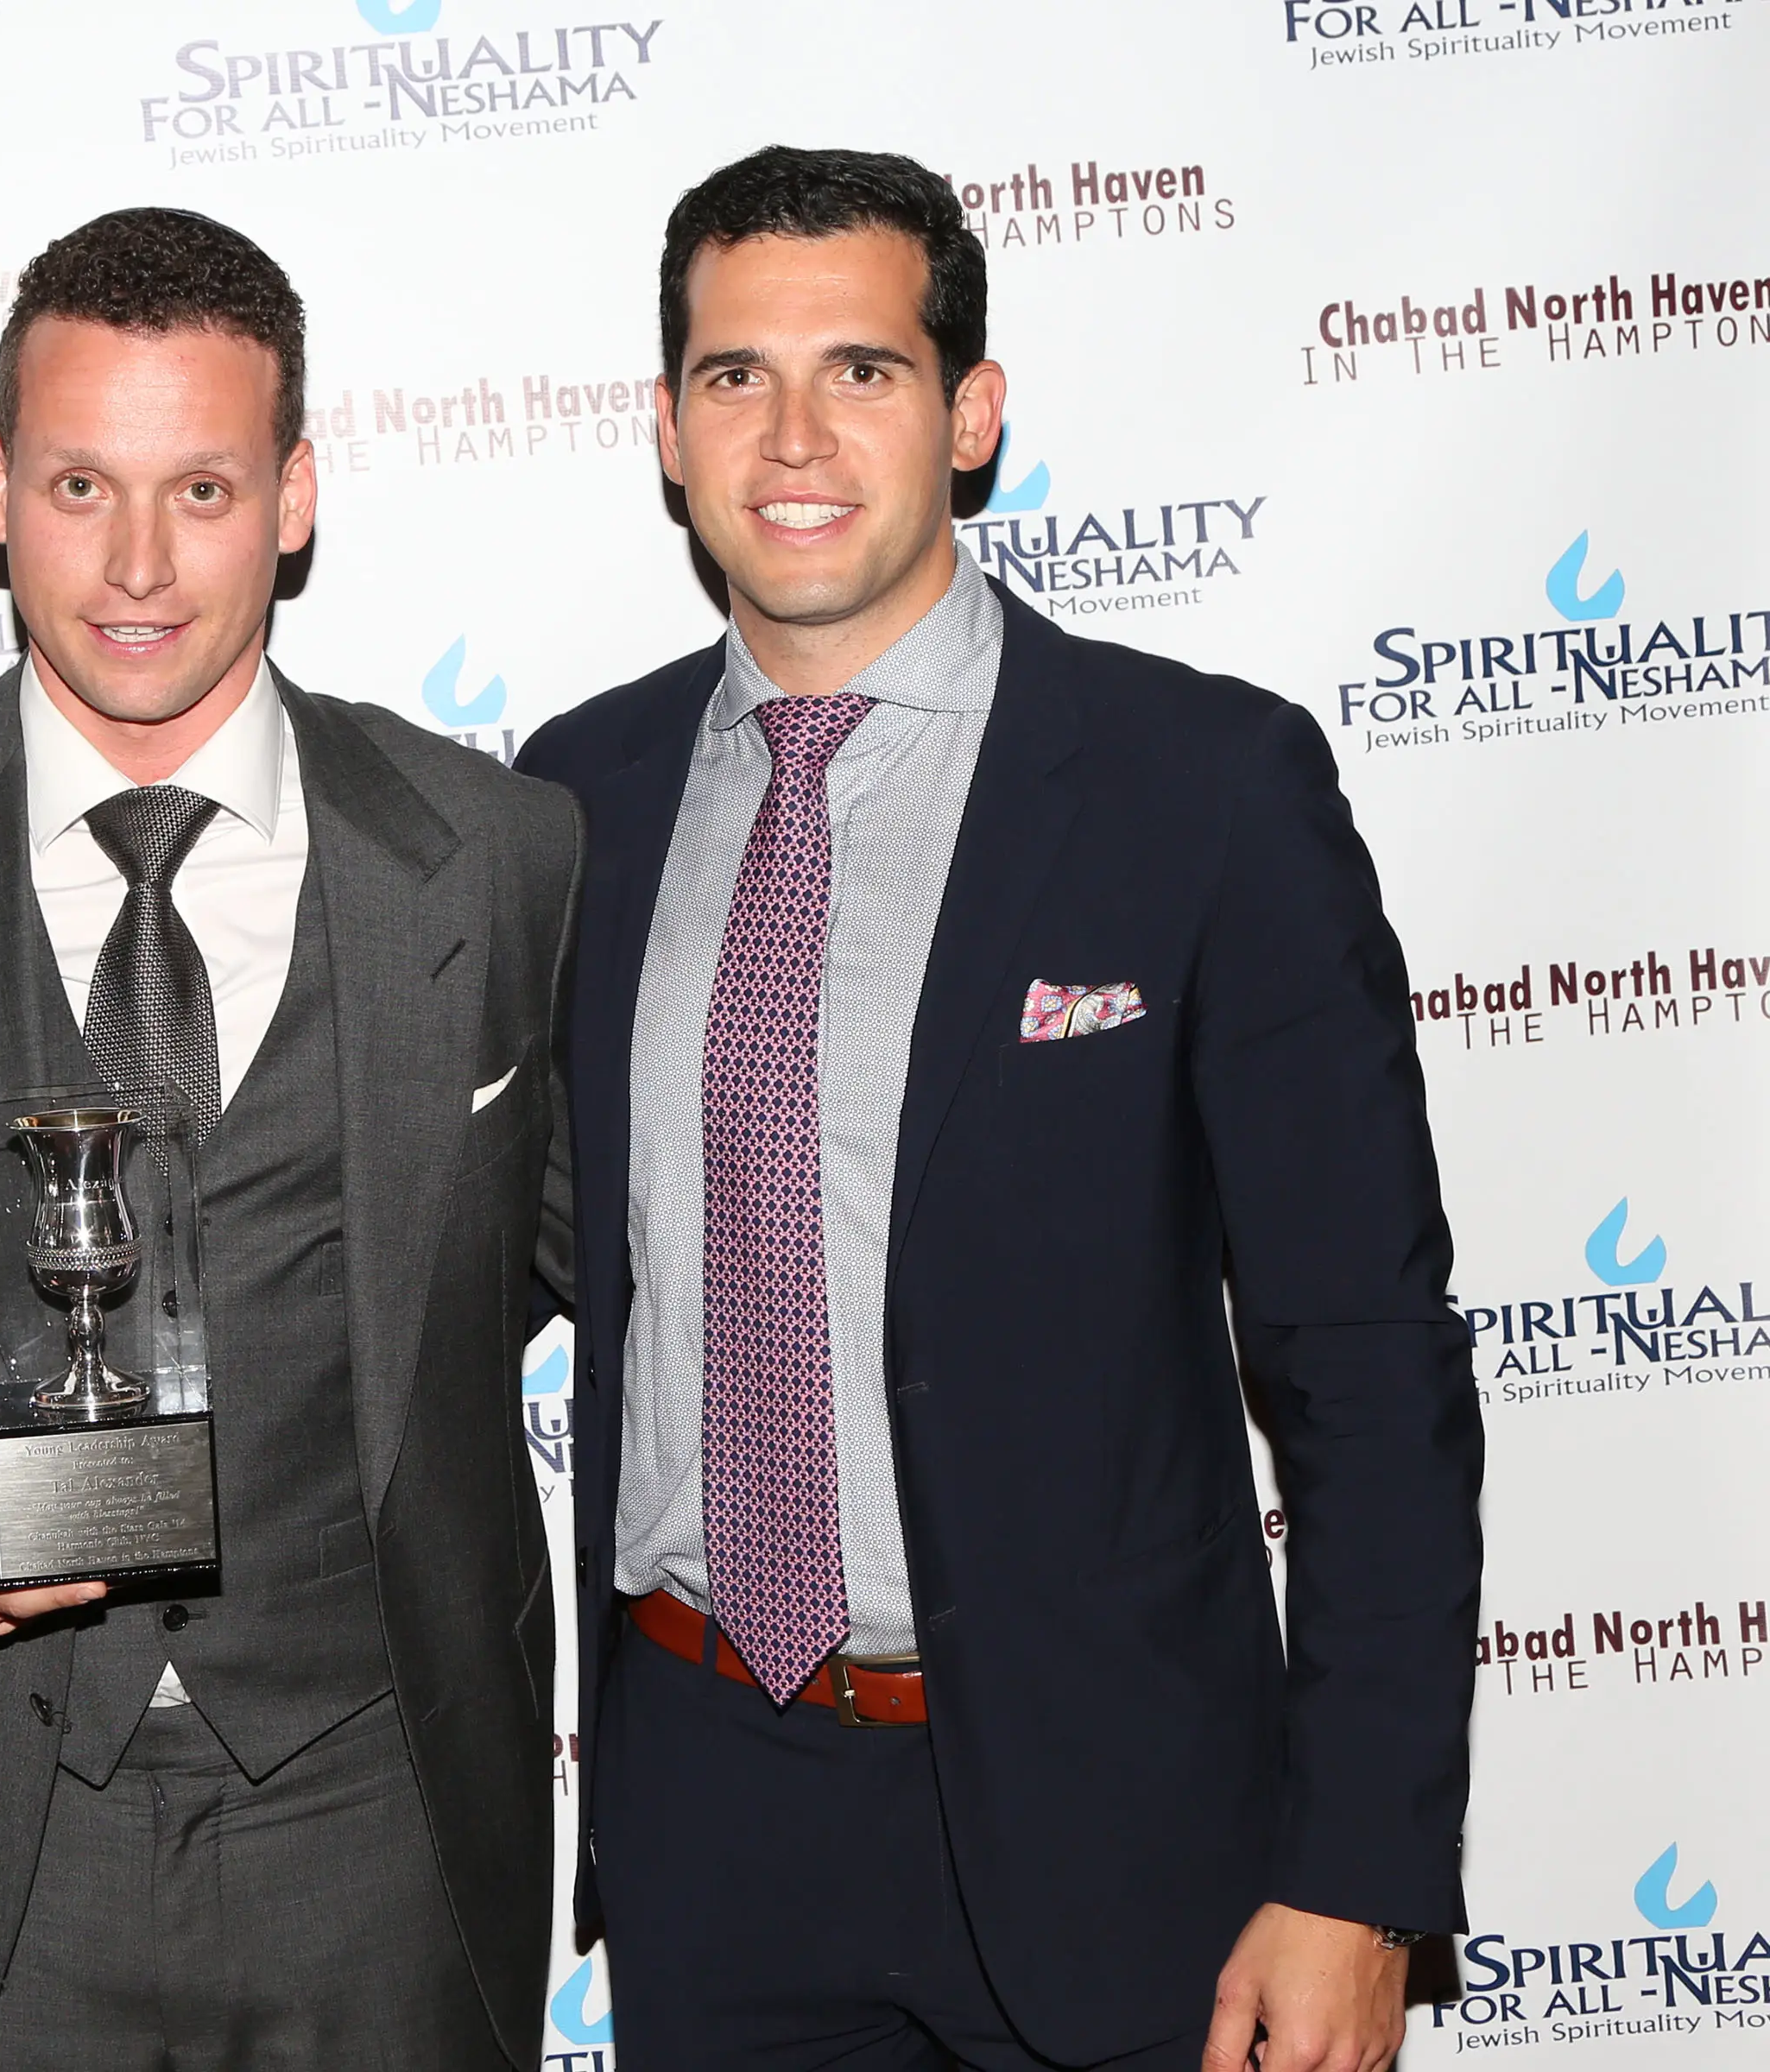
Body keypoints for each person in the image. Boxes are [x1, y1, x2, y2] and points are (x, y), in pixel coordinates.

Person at [515, 146, 1482, 2072]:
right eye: (735, 376)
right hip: (707, 1815)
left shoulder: (1201, 789)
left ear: (969, 414)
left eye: (862, 370)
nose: (794, 433)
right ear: (667, 428)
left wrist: (1361, 1875)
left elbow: (1367, 1369)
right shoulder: (575, 804)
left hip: (1122, 1836)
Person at [0, 206, 578, 2072]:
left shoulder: (499, 850)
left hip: (388, 1825)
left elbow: (628, 1264)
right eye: (79, 483)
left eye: (200, 487)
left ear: (293, 498)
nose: (134, 563)